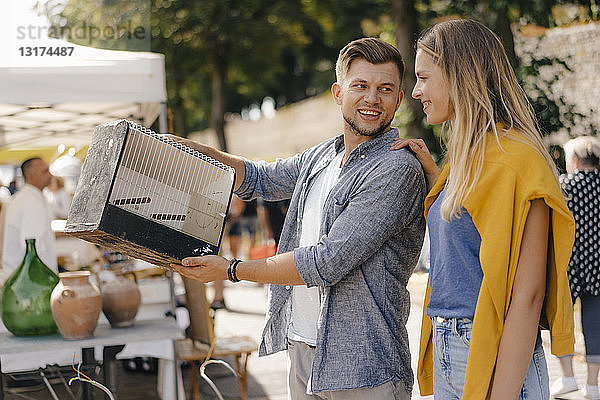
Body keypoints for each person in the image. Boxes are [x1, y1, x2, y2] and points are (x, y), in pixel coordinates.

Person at [170, 37, 426, 399]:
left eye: (385, 89)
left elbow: (326, 261)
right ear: (339, 93)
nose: (372, 98)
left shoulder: (396, 169)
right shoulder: (322, 156)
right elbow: (260, 177)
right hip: (304, 347)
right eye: (361, 86)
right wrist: (190, 150)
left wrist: (231, 270)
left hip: (363, 366)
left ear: (399, 99)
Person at [391, 19, 575, 399]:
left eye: (424, 77)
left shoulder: (518, 160)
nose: (415, 90)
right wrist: (435, 178)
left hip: (492, 352)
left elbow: (528, 296)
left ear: (459, 76)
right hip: (447, 343)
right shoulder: (464, 160)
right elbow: (469, 241)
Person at [551, 136, 600, 400]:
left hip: (567, 262)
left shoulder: (565, 185)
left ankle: (568, 377)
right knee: (595, 323)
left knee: (562, 321)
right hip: (598, 265)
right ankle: (593, 386)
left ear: (576, 159)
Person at [2, 157, 57, 277]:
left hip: (23, 277)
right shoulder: (31, 202)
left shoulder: (27, 198)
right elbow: (32, 248)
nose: (50, 175)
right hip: (30, 281)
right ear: (31, 176)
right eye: (45, 171)